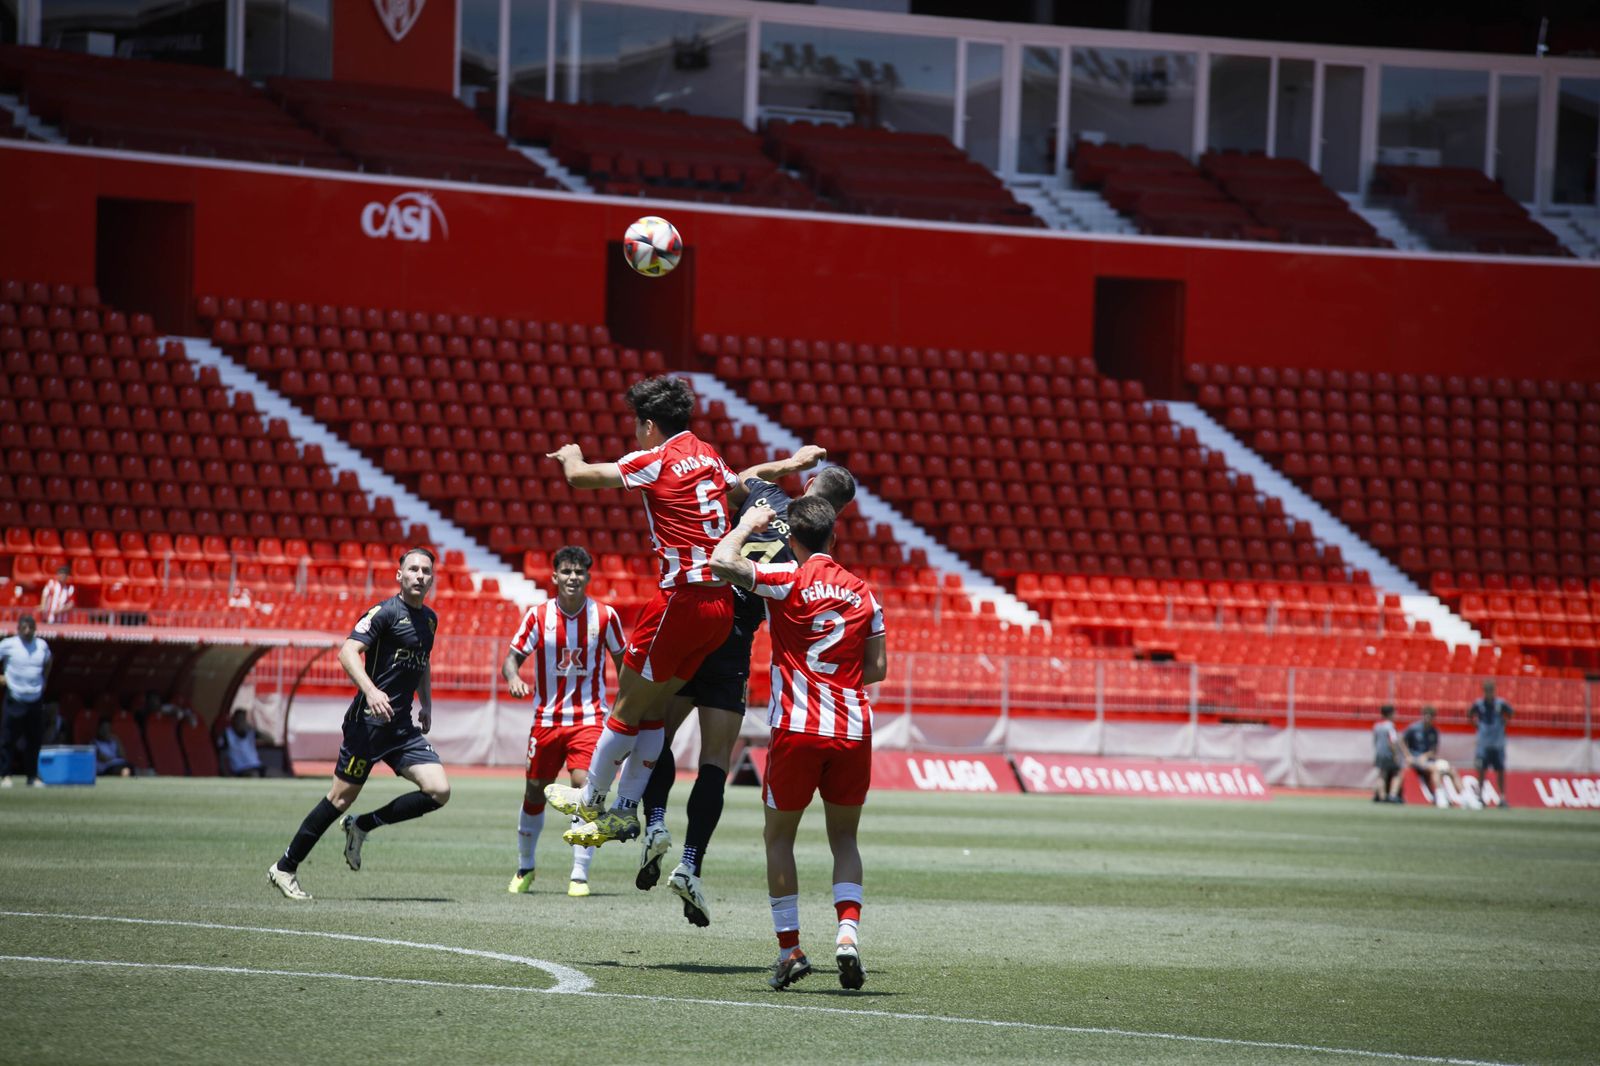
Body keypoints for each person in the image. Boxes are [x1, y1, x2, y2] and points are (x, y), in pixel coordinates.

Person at [638, 452, 857, 929]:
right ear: (836, 516)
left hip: (700, 616)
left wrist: (789, 462)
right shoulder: (815, 551)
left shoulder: (767, 495)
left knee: (657, 732)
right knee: (714, 760)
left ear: (810, 481)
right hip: (736, 646)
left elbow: (735, 479)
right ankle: (692, 862)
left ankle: (654, 822)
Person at [542, 376, 742, 848]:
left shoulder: (654, 459)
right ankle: (625, 811)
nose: (635, 434)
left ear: (649, 425)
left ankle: (590, 798)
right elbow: (737, 492)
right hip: (721, 607)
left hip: (681, 600)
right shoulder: (710, 453)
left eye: (636, 425)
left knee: (628, 704)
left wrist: (570, 452)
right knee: (652, 708)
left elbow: (581, 477)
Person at [710, 495, 888, 992]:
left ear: (793, 538)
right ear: (834, 538)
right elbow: (878, 668)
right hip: (853, 728)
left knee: (779, 837)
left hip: (798, 726)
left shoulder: (787, 578)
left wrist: (747, 524)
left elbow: (721, 561)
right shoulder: (865, 594)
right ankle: (847, 935)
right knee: (845, 839)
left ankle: (790, 949)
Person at [267, 547, 448, 900]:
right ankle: (284, 867)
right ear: (399, 575)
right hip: (367, 726)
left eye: (425, 571)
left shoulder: (430, 620)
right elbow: (347, 652)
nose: (419, 576)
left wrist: (425, 703)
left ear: (432, 578)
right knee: (338, 799)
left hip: (401, 729)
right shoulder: (383, 612)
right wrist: (371, 691)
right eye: (412, 569)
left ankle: (363, 825)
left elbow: (422, 661)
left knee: (439, 791)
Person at [502, 545, 625, 898]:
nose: (573, 578)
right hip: (546, 720)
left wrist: (625, 706)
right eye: (566, 572)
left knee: (584, 789)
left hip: (590, 719)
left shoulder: (604, 616)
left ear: (588, 577)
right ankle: (525, 867)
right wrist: (513, 677)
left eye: (579, 572)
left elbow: (623, 664)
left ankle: (579, 875)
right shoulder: (538, 616)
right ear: (554, 576)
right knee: (534, 791)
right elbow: (511, 659)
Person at [0, 614, 52, 789]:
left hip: (35, 698)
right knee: (8, 738)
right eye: (24, 628)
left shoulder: (42, 646)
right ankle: (5, 775)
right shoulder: (8, 645)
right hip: (15, 698)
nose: (27, 631)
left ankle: (32, 776)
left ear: (35, 629)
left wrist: (44, 681)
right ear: (18, 629)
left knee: (34, 740)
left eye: (30, 628)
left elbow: (48, 662)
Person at [1403, 706, 1472, 808]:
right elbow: (1402, 740)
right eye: (1426, 716)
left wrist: (1426, 755)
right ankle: (1440, 796)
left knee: (1451, 770)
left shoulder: (1434, 732)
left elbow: (1433, 750)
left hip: (1429, 760)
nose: (1428, 718)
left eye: (1430, 716)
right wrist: (1408, 755)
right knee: (1435, 769)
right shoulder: (1414, 728)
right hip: (1416, 760)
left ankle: (1466, 797)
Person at [1468, 680, 1513, 807]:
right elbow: (1470, 714)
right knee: (1481, 770)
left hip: (1498, 744)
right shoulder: (1479, 704)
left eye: (1491, 691)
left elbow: (1510, 712)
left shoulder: (1500, 704)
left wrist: (1504, 723)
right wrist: (1476, 725)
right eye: (1487, 691)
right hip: (1483, 744)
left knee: (1500, 770)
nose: (1489, 693)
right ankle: (1480, 796)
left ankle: (1502, 797)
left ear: (1494, 691)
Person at [1371, 704, 1405, 804]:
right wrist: (1395, 754)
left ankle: (1382, 796)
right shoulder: (1390, 726)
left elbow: (1375, 740)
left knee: (1382, 773)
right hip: (1389, 753)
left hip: (1379, 752)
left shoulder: (1377, 726)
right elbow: (1392, 741)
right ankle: (1392, 795)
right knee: (1397, 773)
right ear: (1390, 714)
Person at [220, 708, 266, 777]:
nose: (241, 722)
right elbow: (221, 757)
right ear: (234, 720)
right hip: (241, 769)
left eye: (243, 720)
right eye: (239, 720)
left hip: (256, 766)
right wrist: (227, 775)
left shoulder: (251, 731)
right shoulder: (227, 735)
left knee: (276, 774)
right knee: (254, 775)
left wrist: (255, 730)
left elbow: (271, 739)